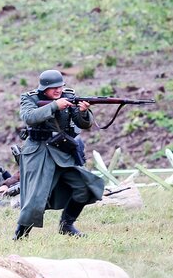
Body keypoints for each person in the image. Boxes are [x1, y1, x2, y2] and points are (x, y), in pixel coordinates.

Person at [14, 69, 105, 240]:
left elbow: (83, 124)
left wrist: (83, 111)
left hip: (62, 152)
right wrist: (55, 105)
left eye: (60, 86)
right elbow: (29, 117)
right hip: (38, 152)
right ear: (44, 88)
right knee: (35, 197)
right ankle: (20, 235)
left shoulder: (69, 95)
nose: (58, 90)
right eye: (53, 88)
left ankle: (67, 225)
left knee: (85, 188)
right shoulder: (30, 97)